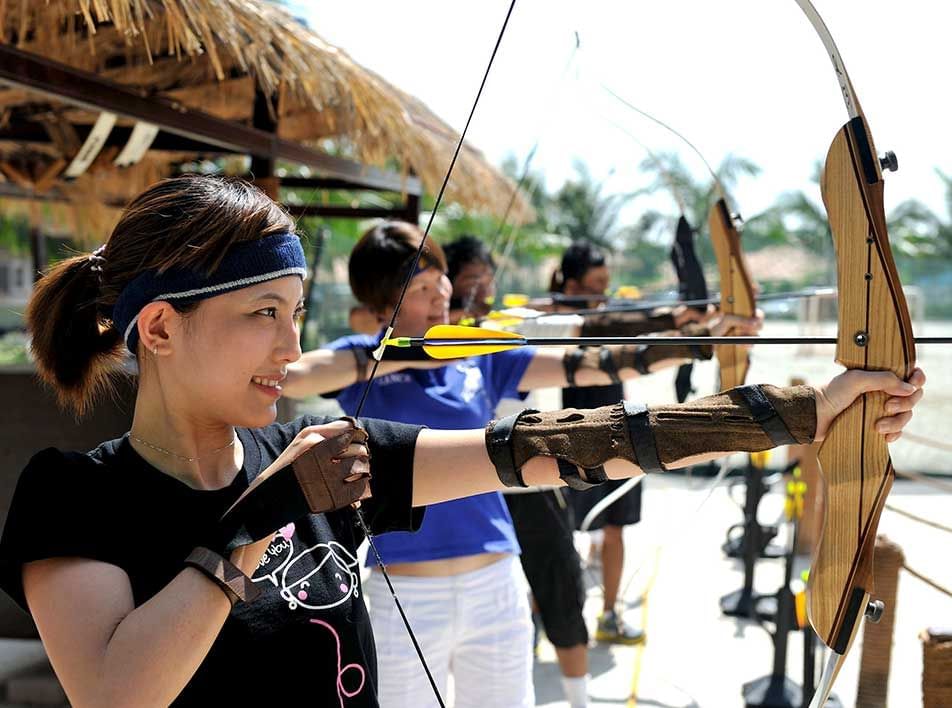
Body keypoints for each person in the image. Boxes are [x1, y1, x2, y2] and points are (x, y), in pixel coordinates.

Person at [0, 178, 924, 708]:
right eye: (261, 315)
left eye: (297, 315)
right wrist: (266, 511)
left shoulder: (337, 451)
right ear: (157, 330)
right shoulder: (72, 494)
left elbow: (559, 446)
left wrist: (804, 408)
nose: (291, 348)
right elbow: (119, 693)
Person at [553, 240, 708, 645]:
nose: (603, 295)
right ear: (570, 286)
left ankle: (608, 614)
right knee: (560, 534)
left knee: (616, 526)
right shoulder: (560, 324)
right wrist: (671, 318)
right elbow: (607, 328)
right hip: (568, 434)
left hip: (617, 431)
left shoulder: (599, 316)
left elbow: (620, 327)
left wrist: (684, 324)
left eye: (607, 284)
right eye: (594, 285)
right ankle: (548, 614)